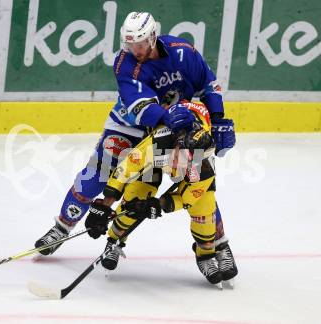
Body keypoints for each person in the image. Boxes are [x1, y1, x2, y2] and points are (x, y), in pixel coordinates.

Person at [34, 12, 235, 258]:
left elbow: (209, 84)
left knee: (198, 179)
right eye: (129, 44)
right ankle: (61, 227)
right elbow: (140, 107)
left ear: (152, 36)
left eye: (139, 44)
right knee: (96, 175)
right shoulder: (125, 63)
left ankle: (219, 244)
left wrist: (217, 119)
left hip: (171, 128)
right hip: (130, 126)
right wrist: (166, 115)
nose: (135, 50)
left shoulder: (182, 52)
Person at [84, 101, 238, 287]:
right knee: (134, 199)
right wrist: (104, 205)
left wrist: (159, 205)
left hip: (187, 147)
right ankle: (114, 240)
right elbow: (126, 169)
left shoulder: (203, 163)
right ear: (176, 144)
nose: (181, 167)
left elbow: (187, 199)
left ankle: (205, 255)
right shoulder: (158, 141)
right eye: (180, 159)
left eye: (192, 162)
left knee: (204, 210)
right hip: (160, 154)